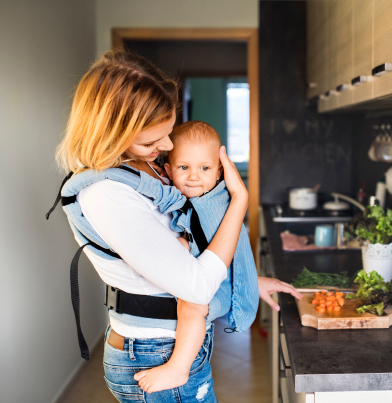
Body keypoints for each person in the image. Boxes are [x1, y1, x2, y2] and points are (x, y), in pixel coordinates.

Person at [55, 50, 302, 403]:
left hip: (169, 342)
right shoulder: (107, 194)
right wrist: (239, 202)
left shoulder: (145, 168)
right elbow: (196, 287)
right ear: (112, 132)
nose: (168, 147)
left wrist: (241, 282)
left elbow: (183, 257)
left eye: (168, 132)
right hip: (157, 352)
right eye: (152, 141)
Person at [133, 120, 257, 393]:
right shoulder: (192, 198)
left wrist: (181, 244)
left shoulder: (214, 204)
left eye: (205, 168)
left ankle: (179, 367)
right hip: (210, 278)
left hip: (221, 286)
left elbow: (222, 249)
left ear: (219, 171)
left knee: (191, 307)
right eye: (184, 167)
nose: (193, 177)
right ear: (168, 170)